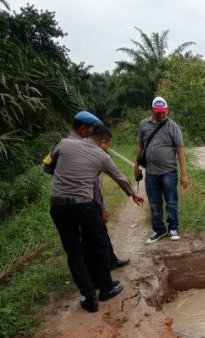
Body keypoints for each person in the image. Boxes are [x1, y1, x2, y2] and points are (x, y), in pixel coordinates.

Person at [49, 124, 144, 312]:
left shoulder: (63, 143)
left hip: (58, 205)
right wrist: (133, 194)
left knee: (74, 252)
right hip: (84, 205)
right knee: (99, 243)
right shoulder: (102, 156)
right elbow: (119, 177)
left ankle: (89, 296)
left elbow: (49, 165)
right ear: (102, 141)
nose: (107, 147)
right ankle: (106, 288)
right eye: (107, 144)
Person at [45, 111, 129, 268]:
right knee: (90, 237)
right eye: (93, 129)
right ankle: (98, 272)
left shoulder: (90, 143)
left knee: (100, 232)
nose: (95, 133)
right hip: (81, 198)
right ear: (83, 129)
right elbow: (47, 165)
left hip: (91, 194)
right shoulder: (66, 143)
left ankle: (110, 260)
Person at [134, 96, 188, 244]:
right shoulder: (143, 125)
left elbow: (180, 150)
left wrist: (184, 174)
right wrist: (136, 167)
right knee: (154, 202)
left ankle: (173, 228)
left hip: (169, 172)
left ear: (167, 110)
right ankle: (159, 229)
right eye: (158, 112)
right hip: (150, 172)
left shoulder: (173, 126)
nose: (161, 114)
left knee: (171, 201)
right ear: (152, 110)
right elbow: (140, 147)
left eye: (163, 112)